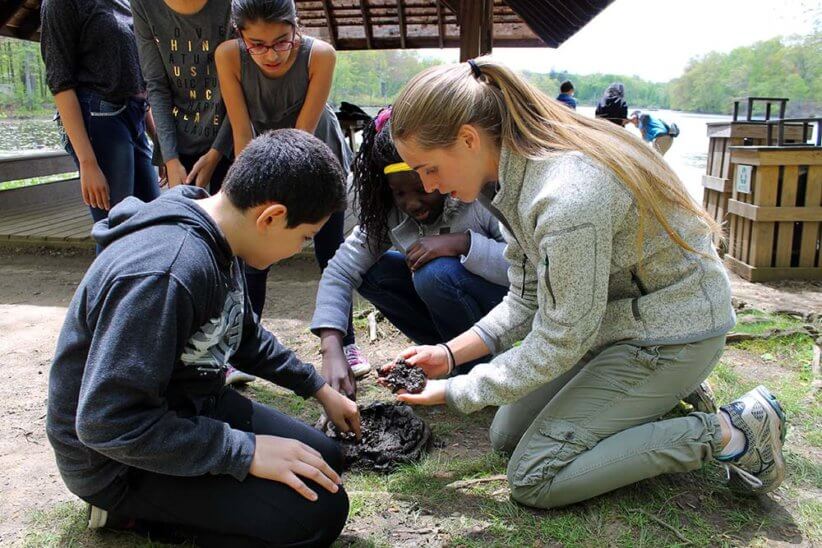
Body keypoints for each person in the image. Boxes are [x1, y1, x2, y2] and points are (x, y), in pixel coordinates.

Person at [385, 58, 787, 510]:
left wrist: (458, 391)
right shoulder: (513, 176)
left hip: (672, 334)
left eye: (427, 167)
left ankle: (733, 432)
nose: (428, 184)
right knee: (506, 436)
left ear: (468, 139)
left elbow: (561, 337)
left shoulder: (566, 196)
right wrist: (450, 354)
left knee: (534, 477)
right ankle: (652, 400)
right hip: (614, 328)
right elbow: (526, 297)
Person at [46, 130, 360, 546]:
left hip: (190, 404)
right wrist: (243, 452)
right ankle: (130, 514)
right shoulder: (168, 272)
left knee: (326, 461)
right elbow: (106, 423)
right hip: (118, 460)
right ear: (270, 217)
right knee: (318, 515)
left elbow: (241, 332)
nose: (302, 249)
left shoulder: (224, 230)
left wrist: (317, 387)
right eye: (304, 237)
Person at [311, 107, 509, 398]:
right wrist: (332, 346)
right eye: (400, 193)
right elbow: (340, 270)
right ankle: (443, 354)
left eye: (423, 188)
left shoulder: (477, 198)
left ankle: (476, 364)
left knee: (434, 274)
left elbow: (519, 269)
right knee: (373, 272)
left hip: (496, 312)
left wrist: (463, 243)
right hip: (447, 319)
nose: (413, 203)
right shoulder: (388, 214)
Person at [215, 0, 364, 373]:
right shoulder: (229, 57)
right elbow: (241, 129)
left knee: (331, 252)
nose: (271, 55)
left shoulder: (320, 56)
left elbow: (302, 134)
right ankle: (238, 348)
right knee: (251, 257)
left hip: (316, 152)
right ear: (240, 36)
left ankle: (345, 343)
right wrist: (248, 194)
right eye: (258, 45)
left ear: (297, 27)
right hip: (260, 154)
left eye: (282, 42)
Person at [40, 0, 161, 239]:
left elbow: (135, 78)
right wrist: (88, 163)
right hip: (100, 120)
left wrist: (158, 139)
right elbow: (60, 82)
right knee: (117, 229)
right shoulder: (59, 4)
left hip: (135, 117)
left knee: (152, 221)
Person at [131, 0, 235, 192]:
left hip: (232, 134)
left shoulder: (230, 6)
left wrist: (216, 152)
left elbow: (243, 82)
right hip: (179, 143)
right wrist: (170, 158)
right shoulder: (142, 5)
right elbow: (156, 84)